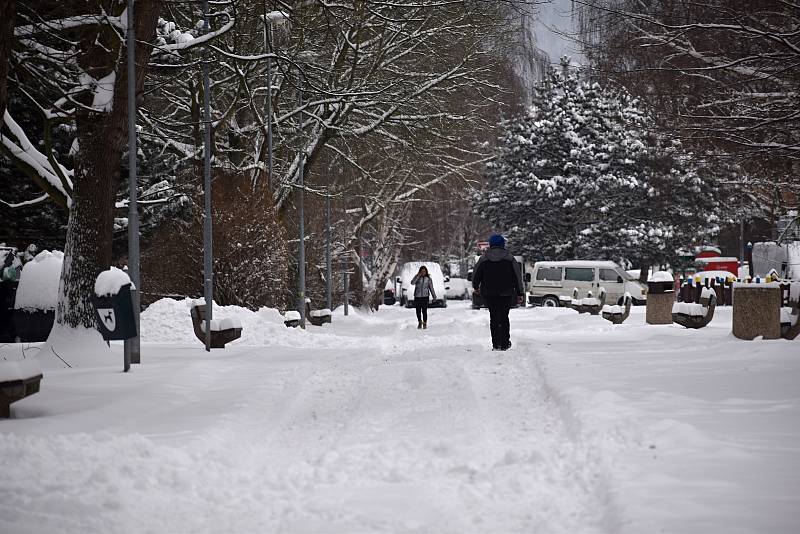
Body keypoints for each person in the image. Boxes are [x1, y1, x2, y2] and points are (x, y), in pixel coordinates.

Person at [472, 234, 524, 350]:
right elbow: (517, 277)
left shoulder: (484, 258)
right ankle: (505, 343)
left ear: (490, 244)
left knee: (494, 318)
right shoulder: (510, 258)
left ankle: (496, 344)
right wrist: (520, 293)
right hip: (506, 293)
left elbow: (476, 274)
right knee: (504, 317)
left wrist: (476, 286)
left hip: (489, 293)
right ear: (502, 244)